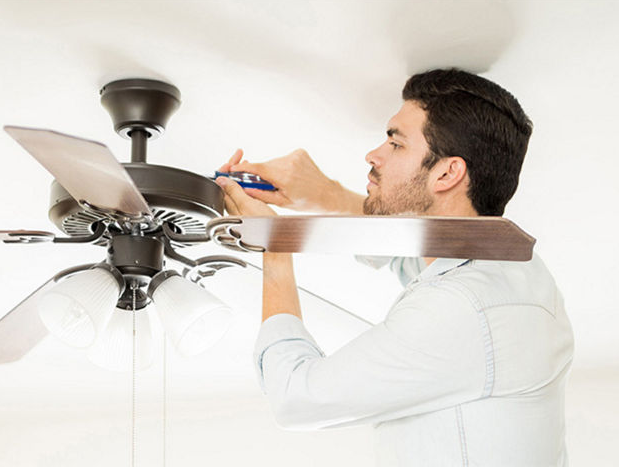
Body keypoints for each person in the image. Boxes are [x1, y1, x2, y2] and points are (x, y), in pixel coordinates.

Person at [214, 68, 574, 467]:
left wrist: (275, 246)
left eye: (396, 143)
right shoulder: (508, 273)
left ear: (447, 172)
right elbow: (409, 249)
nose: (373, 155)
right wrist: (322, 195)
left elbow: (295, 397)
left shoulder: (463, 308)